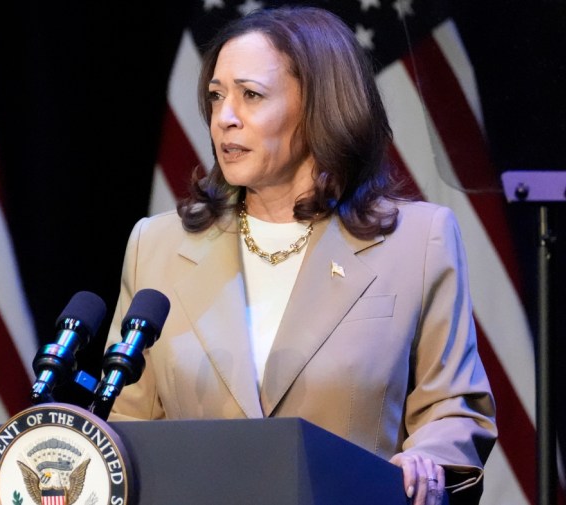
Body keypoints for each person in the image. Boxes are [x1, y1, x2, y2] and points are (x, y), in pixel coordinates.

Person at [104, 6, 497, 505]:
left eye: (250, 95)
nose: (224, 117)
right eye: (216, 96)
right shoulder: (157, 246)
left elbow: (455, 409)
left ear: (318, 106)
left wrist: (426, 464)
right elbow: (126, 422)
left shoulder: (418, 241)